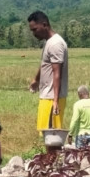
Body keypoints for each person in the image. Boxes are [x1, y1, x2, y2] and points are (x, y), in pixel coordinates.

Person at [28, 11, 69, 140]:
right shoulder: (49, 42)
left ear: (44, 25)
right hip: (47, 96)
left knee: (52, 137)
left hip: (52, 98)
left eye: (35, 29)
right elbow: (45, 64)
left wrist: (55, 101)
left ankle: (52, 160)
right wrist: (36, 79)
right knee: (45, 134)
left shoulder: (56, 44)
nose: (33, 33)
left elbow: (57, 73)